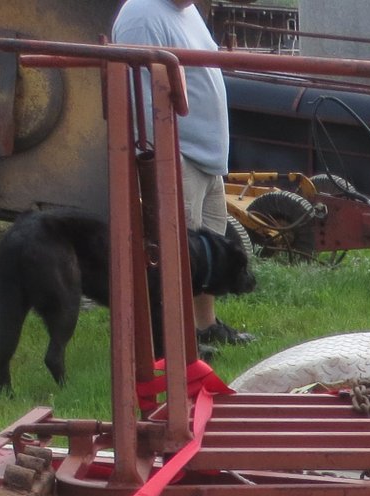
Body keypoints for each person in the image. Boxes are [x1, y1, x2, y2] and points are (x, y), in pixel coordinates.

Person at [112, 0, 254, 347]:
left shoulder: (186, 11)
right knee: (177, 253)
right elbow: (139, 95)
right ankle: (175, 336)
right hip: (177, 154)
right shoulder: (142, 15)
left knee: (208, 250)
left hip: (205, 157)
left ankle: (204, 325)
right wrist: (160, 158)